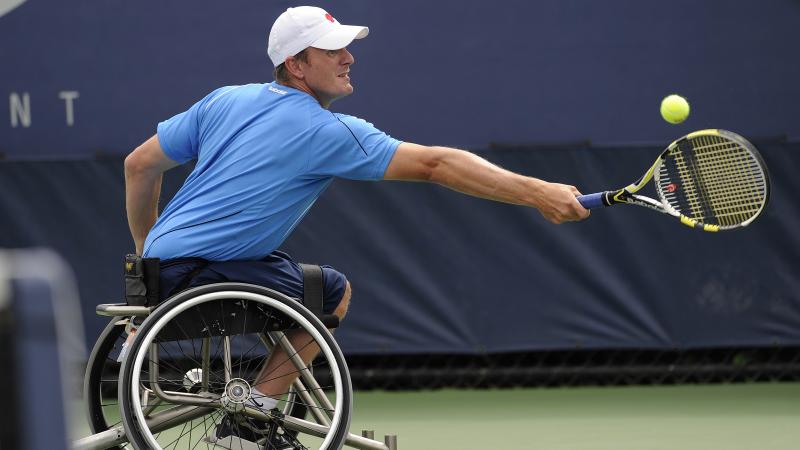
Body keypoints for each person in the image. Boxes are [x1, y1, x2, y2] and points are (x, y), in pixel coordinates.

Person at [124, 5, 590, 448]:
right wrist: (538, 192)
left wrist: (149, 251)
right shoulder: (323, 130)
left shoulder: (223, 100)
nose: (349, 57)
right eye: (331, 50)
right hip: (205, 278)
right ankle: (246, 424)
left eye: (345, 47)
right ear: (297, 65)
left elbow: (139, 165)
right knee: (332, 292)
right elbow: (436, 165)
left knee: (289, 275)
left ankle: (252, 401)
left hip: (154, 279)